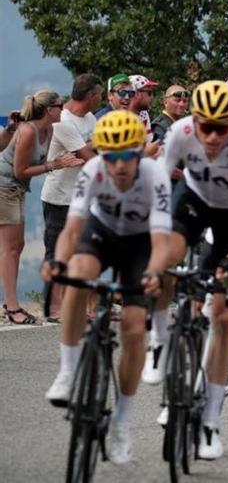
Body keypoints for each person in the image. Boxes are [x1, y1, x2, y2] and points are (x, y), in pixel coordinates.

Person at [150, 80, 228, 459]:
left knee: (222, 317)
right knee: (168, 257)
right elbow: (156, 185)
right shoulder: (179, 132)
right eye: (206, 126)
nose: (212, 135)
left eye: (222, 126)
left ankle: (210, 420)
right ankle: (161, 344)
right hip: (193, 201)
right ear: (194, 120)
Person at [42, 110, 170, 464]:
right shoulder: (92, 170)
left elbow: (161, 241)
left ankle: (122, 422)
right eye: (110, 157)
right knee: (78, 273)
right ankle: (68, 371)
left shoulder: (154, 174)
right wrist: (57, 263)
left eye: (126, 155)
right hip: (101, 234)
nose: (119, 166)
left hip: (141, 243)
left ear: (138, 151)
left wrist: (155, 272)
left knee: (132, 327)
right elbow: (71, 230)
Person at [0, 90, 79, 325]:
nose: (63, 109)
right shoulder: (27, 132)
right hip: (5, 186)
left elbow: (40, 163)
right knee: (9, 248)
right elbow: (20, 170)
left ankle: (10, 304)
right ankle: (12, 307)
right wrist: (54, 165)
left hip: (17, 189)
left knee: (17, 245)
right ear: (49, 110)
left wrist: (60, 161)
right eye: (60, 105)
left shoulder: (49, 130)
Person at [40, 74, 103, 321]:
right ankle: (54, 308)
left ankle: (80, 305)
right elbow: (88, 154)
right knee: (57, 253)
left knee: (83, 252)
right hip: (59, 197)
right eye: (99, 95)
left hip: (81, 196)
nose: (101, 99)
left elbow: (99, 146)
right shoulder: (63, 121)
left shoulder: (88, 118)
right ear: (90, 95)